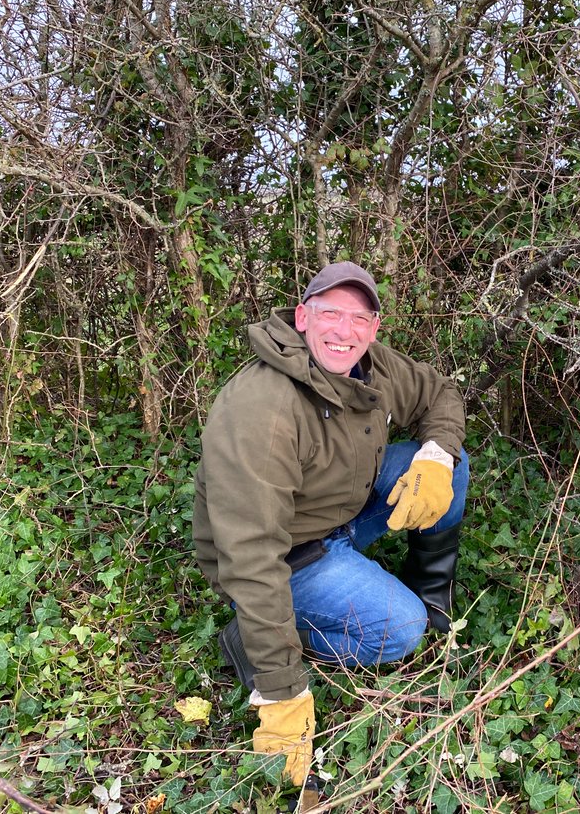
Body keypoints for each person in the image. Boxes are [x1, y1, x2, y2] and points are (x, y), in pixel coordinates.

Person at [192, 262, 468, 793]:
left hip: (338, 513)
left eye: (359, 318)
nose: (344, 331)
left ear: (374, 328)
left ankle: (433, 592)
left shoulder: (371, 365)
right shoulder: (262, 408)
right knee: (398, 631)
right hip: (285, 554)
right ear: (302, 318)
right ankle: (253, 638)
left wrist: (434, 457)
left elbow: (439, 394)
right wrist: (280, 695)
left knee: (451, 468)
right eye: (330, 314)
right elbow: (249, 555)